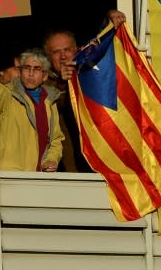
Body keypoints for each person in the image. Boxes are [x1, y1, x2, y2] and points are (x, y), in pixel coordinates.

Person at [43, 9, 126, 173]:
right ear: (48, 57)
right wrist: (62, 83)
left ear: (76, 50)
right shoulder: (43, 83)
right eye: (56, 52)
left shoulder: (91, 74)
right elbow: (46, 108)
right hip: (64, 171)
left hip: (104, 167)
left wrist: (109, 20)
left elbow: (103, 48)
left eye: (67, 50)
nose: (63, 56)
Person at [0, 46, 64, 172]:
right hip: (11, 175)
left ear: (44, 75)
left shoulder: (50, 101)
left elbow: (55, 139)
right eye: (26, 68)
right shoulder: (9, 95)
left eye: (37, 69)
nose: (31, 73)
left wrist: (51, 160)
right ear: (20, 71)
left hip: (40, 177)